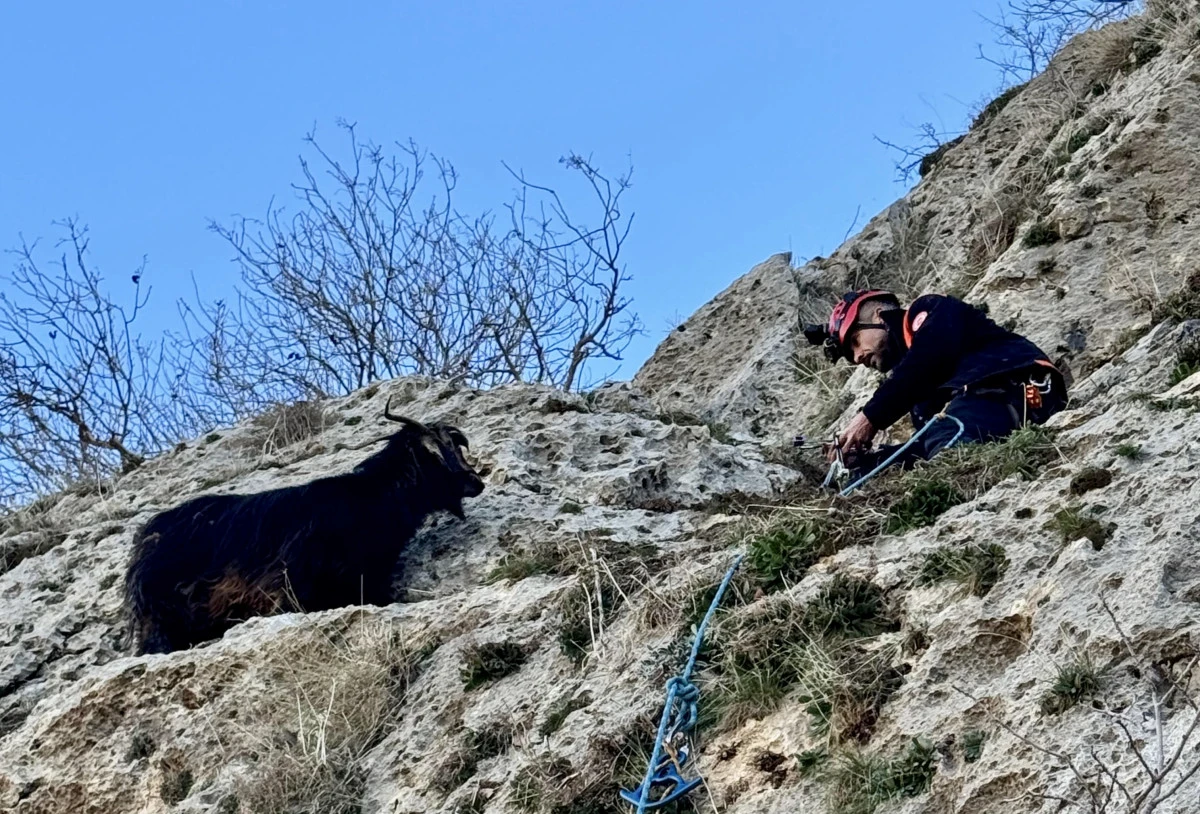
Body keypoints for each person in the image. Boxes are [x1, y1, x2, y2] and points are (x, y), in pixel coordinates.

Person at [803, 289, 1067, 474]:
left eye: (855, 341)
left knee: (947, 440)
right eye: (851, 356)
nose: (858, 357)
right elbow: (926, 437)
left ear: (878, 315)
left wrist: (868, 418)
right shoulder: (915, 384)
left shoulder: (929, 310)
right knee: (881, 468)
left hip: (1017, 384)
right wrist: (866, 461)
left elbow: (929, 359)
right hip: (984, 409)